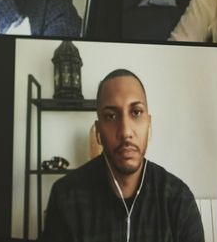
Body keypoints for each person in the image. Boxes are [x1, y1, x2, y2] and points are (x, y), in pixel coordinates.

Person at [41, 70, 204, 242]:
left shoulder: (179, 200)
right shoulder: (66, 198)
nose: (125, 131)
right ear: (98, 132)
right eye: (111, 116)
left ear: (149, 125)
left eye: (136, 112)